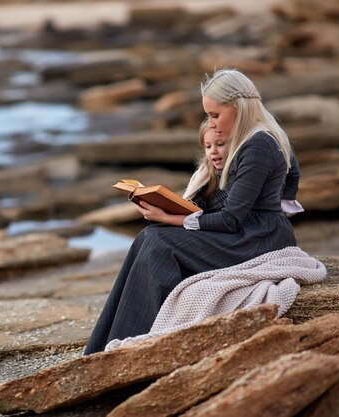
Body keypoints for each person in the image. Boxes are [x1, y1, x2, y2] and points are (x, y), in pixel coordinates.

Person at [84, 68, 303, 355]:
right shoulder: (254, 138)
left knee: (159, 243)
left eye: (215, 115)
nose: (211, 123)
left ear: (237, 108)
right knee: (148, 237)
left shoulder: (259, 144)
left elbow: (230, 219)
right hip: (250, 230)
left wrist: (171, 217)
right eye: (208, 116)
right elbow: (292, 177)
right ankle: (103, 345)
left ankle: (129, 348)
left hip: (257, 237)